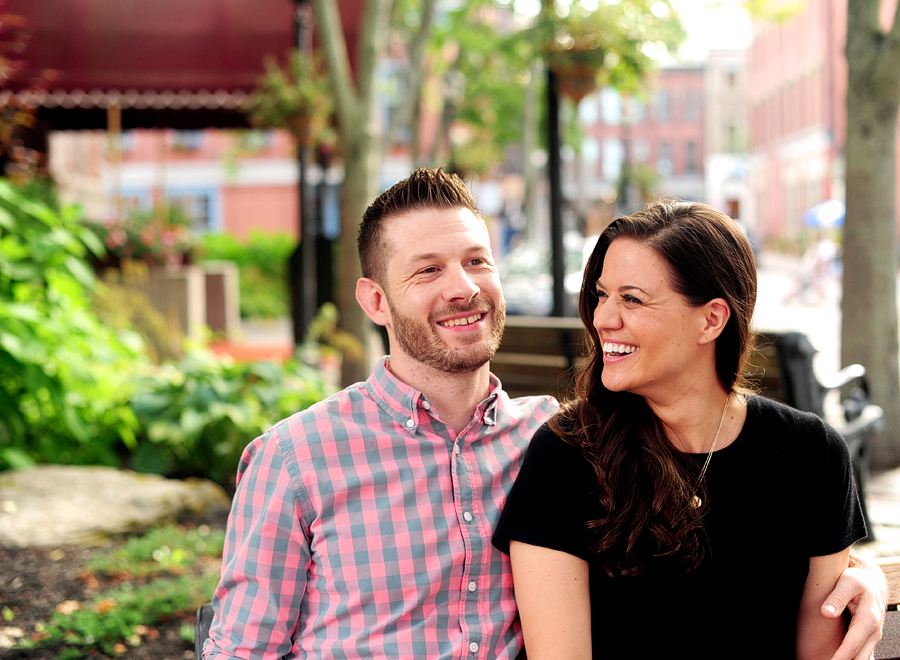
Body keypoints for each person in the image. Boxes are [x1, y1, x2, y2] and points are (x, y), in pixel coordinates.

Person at [204, 172, 885, 660]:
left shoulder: (556, 438)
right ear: (375, 302)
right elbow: (243, 649)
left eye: (477, 261)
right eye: (428, 270)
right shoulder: (298, 458)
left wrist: (866, 573)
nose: (464, 287)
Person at [493, 201, 880, 660]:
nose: (602, 318)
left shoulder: (810, 454)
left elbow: (821, 655)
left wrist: (867, 572)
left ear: (711, 319)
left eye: (632, 299)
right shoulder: (567, 454)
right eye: (602, 294)